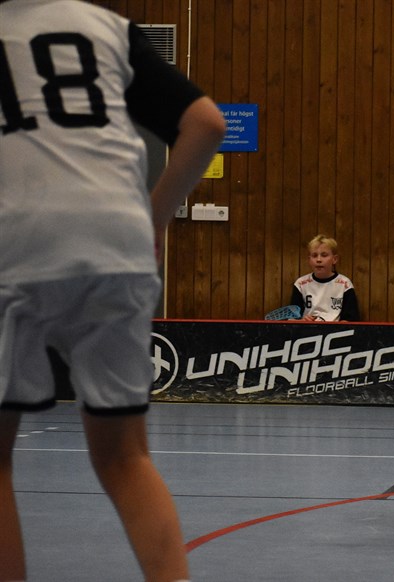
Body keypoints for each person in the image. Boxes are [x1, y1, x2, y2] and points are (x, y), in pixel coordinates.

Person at [0, 1, 225, 579]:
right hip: (116, 238)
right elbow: (207, 124)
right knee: (126, 457)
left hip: (15, 237)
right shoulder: (106, 26)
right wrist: (155, 219)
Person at [290, 234, 361, 322]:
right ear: (309, 260)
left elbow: (351, 320)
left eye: (324, 255)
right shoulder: (301, 283)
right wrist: (302, 321)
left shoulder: (345, 284)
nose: (318, 260)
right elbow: (292, 320)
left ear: (334, 259)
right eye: (314, 255)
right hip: (307, 329)